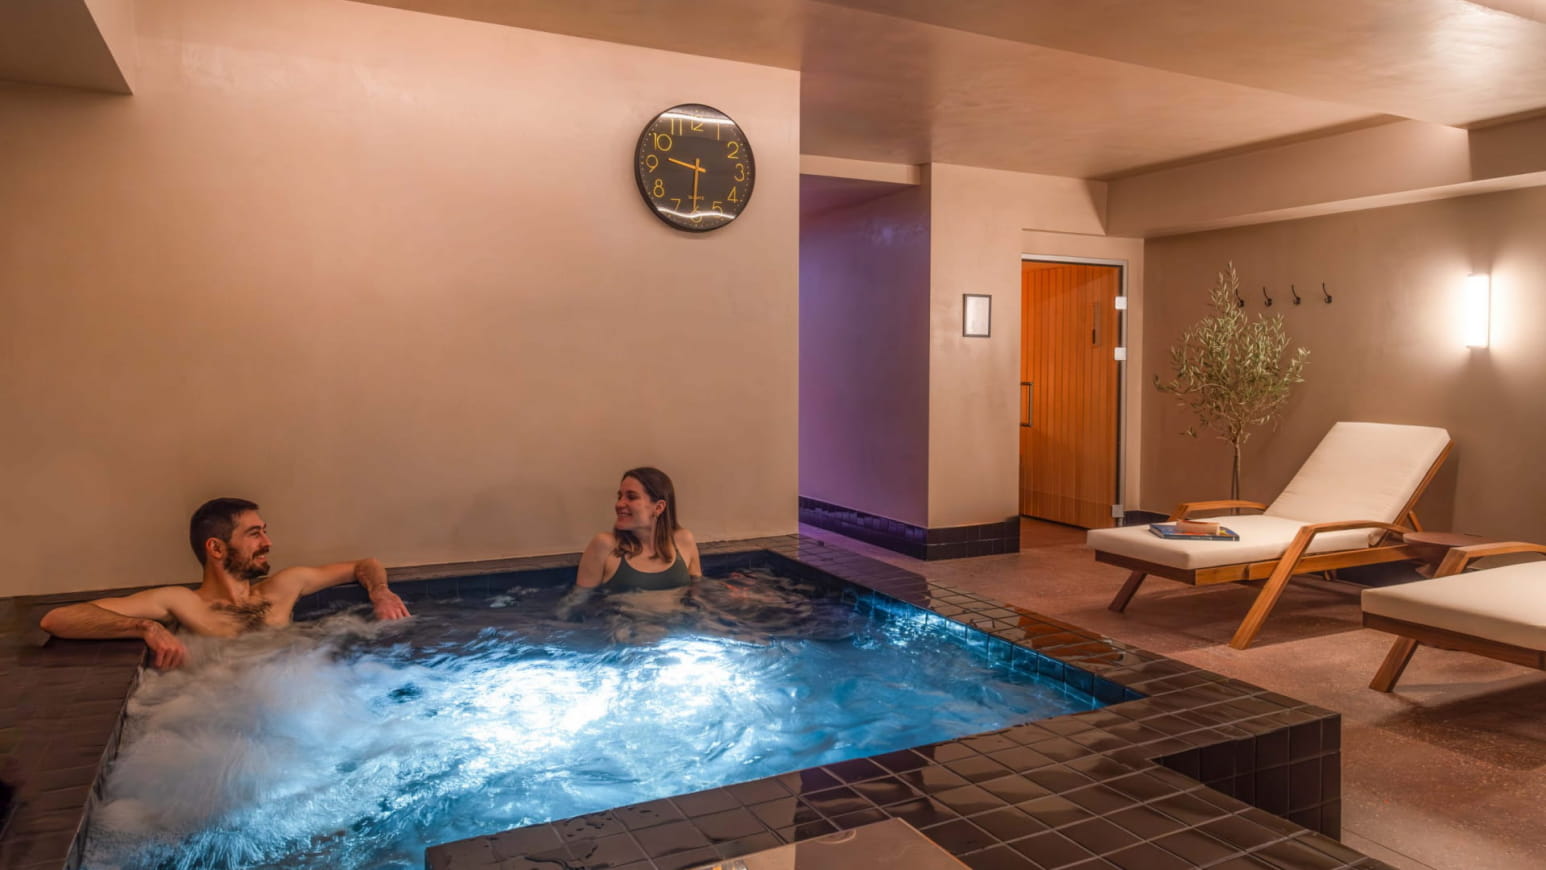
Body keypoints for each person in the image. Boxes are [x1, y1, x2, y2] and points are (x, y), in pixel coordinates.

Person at [38, 497, 410, 669]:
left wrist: (380, 592)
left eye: (265, 531)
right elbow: (57, 619)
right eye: (254, 534)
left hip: (299, 706)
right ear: (216, 548)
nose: (267, 542)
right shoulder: (182, 602)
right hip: (226, 727)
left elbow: (366, 564)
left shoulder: (284, 586)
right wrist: (144, 627)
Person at [556, 467, 702, 619]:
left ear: (658, 507)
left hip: (679, 628)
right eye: (620, 496)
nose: (619, 504)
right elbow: (576, 603)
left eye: (631, 497)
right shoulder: (604, 545)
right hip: (625, 630)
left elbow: (698, 597)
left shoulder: (684, 540)